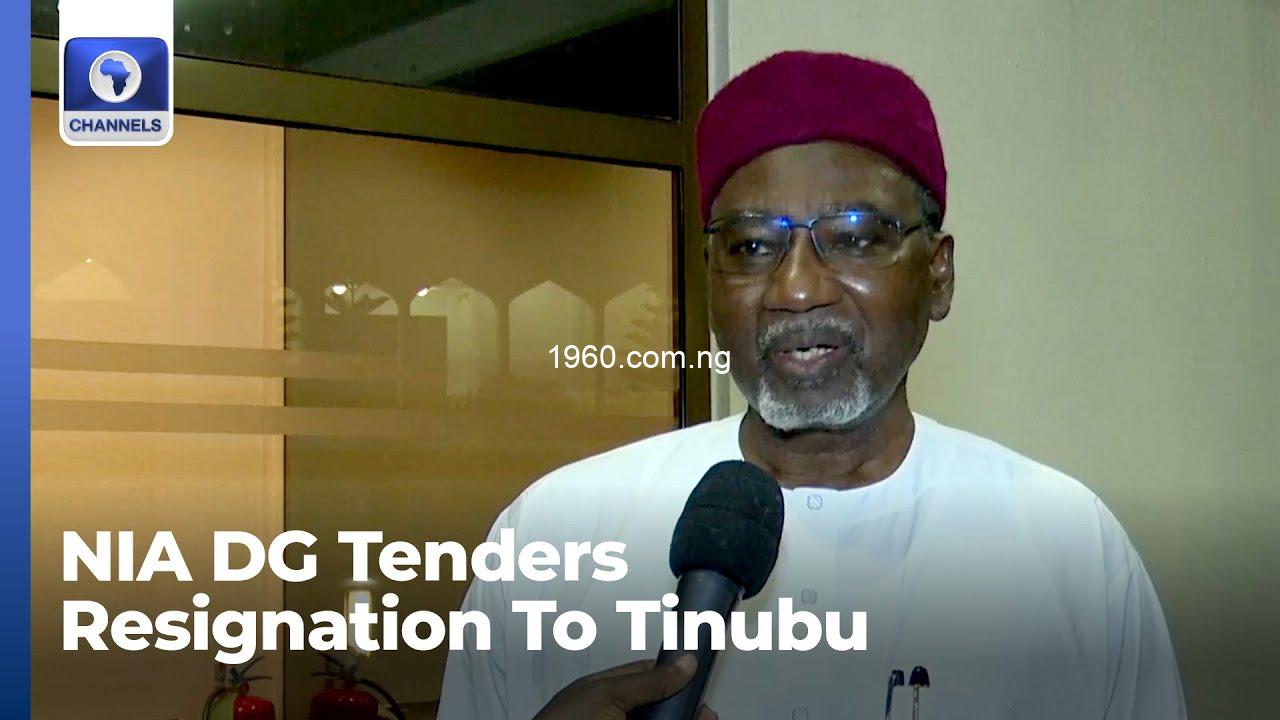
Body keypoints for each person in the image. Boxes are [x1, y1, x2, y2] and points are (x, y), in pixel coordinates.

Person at [439, 51, 1186, 720]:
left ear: (939, 274)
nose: (796, 289)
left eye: (856, 237)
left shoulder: (1069, 553)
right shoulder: (552, 536)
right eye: (751, 246)